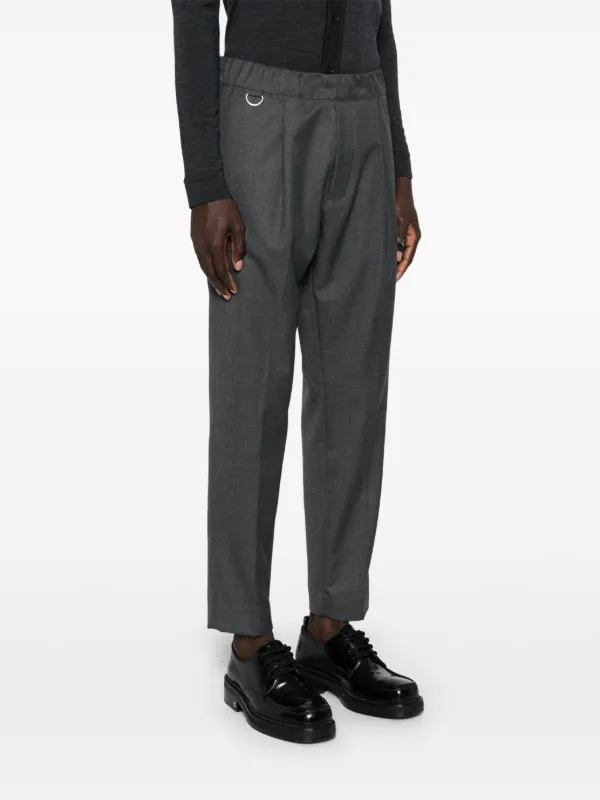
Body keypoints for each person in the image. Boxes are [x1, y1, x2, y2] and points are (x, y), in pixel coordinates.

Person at [171, 0, 423, 743]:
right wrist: (205, 183)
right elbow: (193, 16)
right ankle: (249, 643)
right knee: (250, 390)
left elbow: (380, 18)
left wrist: (399, 162)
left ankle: (329, 628)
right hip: (259, 112)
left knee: (355, 391)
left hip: (364, 114)